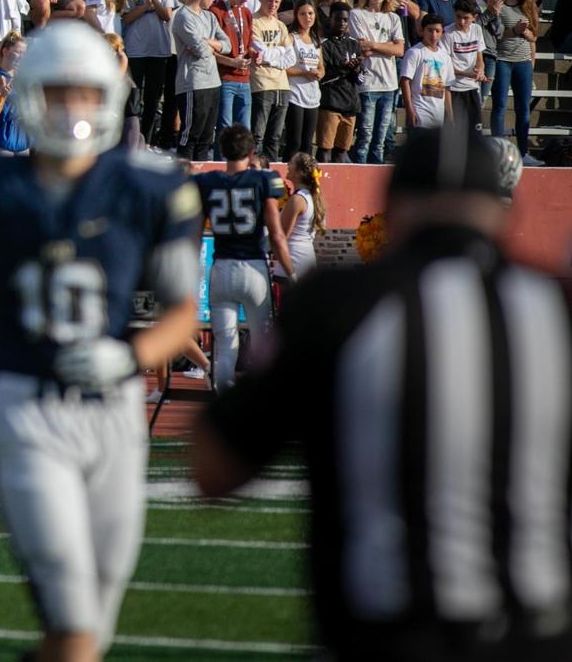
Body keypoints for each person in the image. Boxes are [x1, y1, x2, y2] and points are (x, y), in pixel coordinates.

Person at [194, 124, 569, 662]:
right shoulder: (556, 308)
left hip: (385, 629)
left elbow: (214, 467)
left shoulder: (340, 304)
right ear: (507, 209)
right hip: (542, 633)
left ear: (392, 208)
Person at [0, 20, 204, 662]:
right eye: (60, 91)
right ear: (30, 94)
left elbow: (181, 314)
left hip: (117, 411)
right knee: (75, 630)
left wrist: (129, 356)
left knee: (88, 630)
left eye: (86, 92)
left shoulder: (151, 186)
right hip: (27, 406)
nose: (74, 107)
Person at [193, 126, 291, 393]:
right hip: (254, 267)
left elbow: (193, 235)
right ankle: (261, 402)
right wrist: (292, 273)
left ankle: (223, 406)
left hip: (222, 267)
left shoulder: (208, 182)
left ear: (222, 151)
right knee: (262, 342)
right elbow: (278, 235)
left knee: (225, 345)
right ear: (250, 153)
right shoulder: (262, 180)